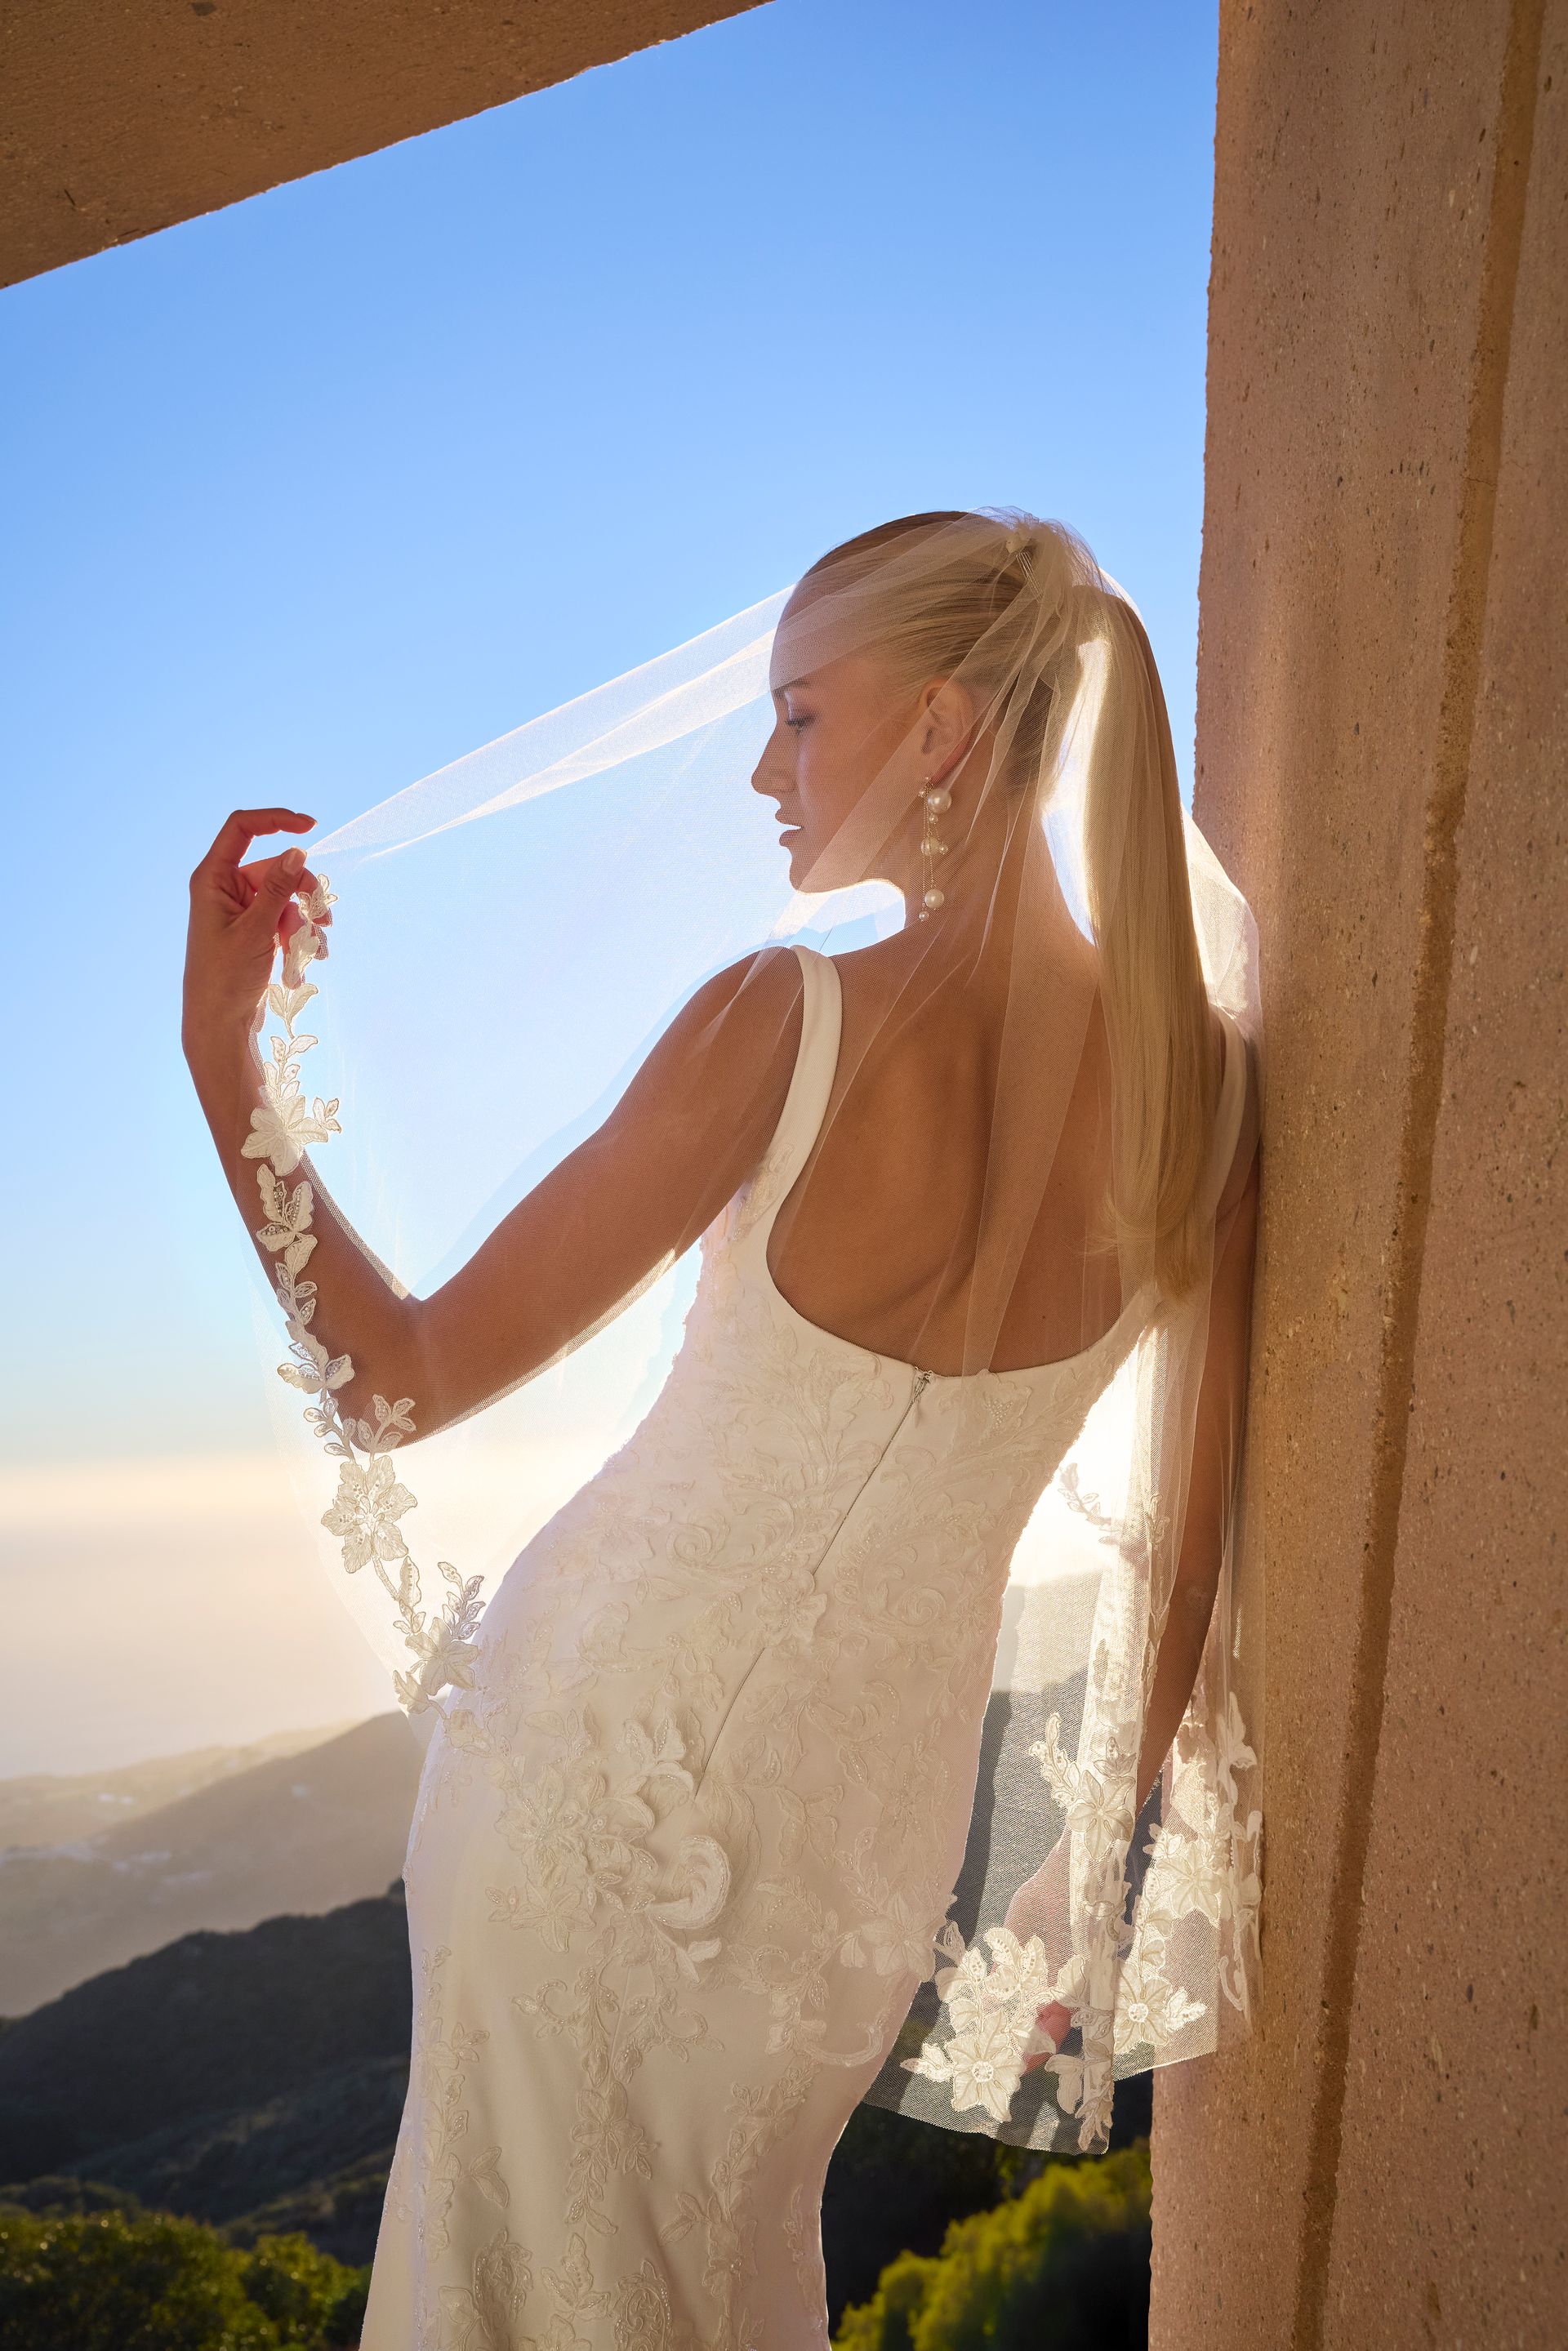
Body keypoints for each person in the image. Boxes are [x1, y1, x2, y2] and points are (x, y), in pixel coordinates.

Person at [183, 510, 1262, 2349]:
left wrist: (227, 1061)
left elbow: (398, 1377)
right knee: (718, 2264)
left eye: (801, 716)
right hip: (859, 1852)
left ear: (941, 731)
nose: (765, 772)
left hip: (584, 1770)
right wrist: (1090, 1847)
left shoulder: (783, 1021)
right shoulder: (1206, 1102)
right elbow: (1189, 1542)